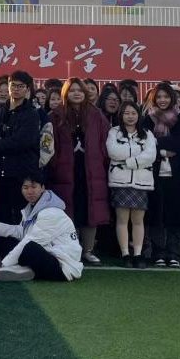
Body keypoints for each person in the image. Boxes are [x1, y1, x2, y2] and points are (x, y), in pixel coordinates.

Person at [46, 78, 111, 266]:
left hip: (91, 170)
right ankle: (71, 249)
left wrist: (102, 162)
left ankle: (88, 250)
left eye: (80, 90)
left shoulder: (96, 114)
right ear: (66, 93)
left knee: (89, 210)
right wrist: (56, 164)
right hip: (65, 172)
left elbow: (105, 141)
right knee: (68, 210)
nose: (76, 93)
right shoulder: (55, 115)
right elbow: (49, 145)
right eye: (72, 90)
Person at [0, 169, 84, 282]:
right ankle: (25, 270)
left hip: (62, 267)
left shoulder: (51, 212)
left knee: (29, 248)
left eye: (33, 187)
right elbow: (21, 232)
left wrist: (3, 264)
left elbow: (30, 240)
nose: (29, 191)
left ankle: (19, 268)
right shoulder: (32, 208)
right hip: (48, 255)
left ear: (42, 188)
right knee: (11, 241)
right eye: (25, 187)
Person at [142, 82, 180, 268]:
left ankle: (174, 253)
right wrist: (164, 149)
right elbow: (147, 143)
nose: (162, 100)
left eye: (166, 96)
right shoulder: (147, 119)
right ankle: (158, 252)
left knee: (176, 214)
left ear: (172, 98)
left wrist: (159, 143)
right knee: (156, 214)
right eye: (159, 97)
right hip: (154, 173)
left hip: (178, 174)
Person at [0, 70, 41, 225]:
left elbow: (21, 141)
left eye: (20, 86)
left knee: (20, 217)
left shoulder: (31, 114)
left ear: (27, 89)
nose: (16, 89)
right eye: (13, 85)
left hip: (20, 174)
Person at [106, 101, 156, 268]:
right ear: (121, 115)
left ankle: (138, 254)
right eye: (126, 113)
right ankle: (125, 253)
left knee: (138, 219)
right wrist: (136, 155)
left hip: (142, 182)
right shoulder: (114, 132)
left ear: (138, 115)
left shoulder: (147, 134)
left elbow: (151, 155)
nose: (130, 116)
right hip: (120, 181)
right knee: (122, 219)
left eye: (133, 113)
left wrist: (130, 161)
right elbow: (113, 151)